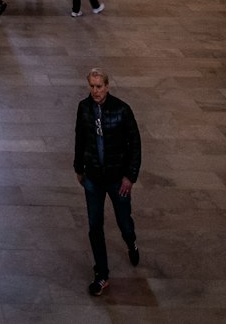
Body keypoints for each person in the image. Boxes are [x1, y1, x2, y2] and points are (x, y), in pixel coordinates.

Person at [74, 68, 142, 297]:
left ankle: (131, 242)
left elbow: (135, 144)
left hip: (117, 179)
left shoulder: (122, 110)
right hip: (93, 178)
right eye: (92, 86)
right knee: (95, 226)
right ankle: (101, 274)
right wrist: (78, 168)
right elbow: (80, 138)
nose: (95, 91)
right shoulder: (84, 108)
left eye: (99, 86)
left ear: (107, 86)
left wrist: (130, 176)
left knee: (124, 221)